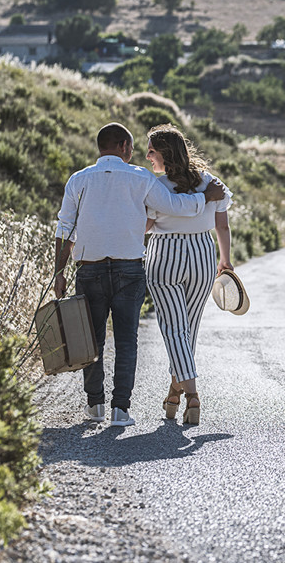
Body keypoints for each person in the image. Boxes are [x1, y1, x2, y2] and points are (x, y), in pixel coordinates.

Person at [54, 123, 226, 427]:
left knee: (92, 340)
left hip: (89, 268)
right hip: (128, 268)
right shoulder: (141, 177)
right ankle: (121, 409)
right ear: (123, 147)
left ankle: (95, 406)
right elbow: (175, 206)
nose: (138, 155)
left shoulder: (78, 179)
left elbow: (65, 228)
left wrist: (59, 272)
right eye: (133, 148)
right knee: (126, 340)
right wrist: (205, 198)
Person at [143, 124, 232, 426]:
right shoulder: (211, 183)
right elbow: (222, 225)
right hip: (202, 254)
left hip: (165, 254)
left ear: (165, 153)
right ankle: (174, 393)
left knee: (173, 327)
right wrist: (226, 260)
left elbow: (144, 226)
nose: (147, 156)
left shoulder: (155, 186)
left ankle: (191, 395)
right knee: (187, 329)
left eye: (151, 151)